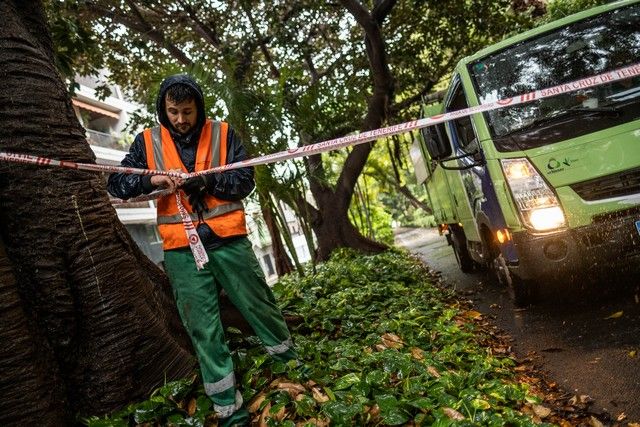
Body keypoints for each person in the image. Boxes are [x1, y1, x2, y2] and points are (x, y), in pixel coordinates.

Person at [107, 74, 297, 427]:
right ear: (163, 109)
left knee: (259, 304)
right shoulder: (146, 142)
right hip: (181, 250)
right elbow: (116, 182)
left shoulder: (223, 134)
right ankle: (228, 408)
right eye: (173, 111)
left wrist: (210, 180)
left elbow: (245, 180)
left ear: (200, 108)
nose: (181, 119)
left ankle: (292, 367)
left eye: (188, 111)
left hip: (228, 241)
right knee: (202, 326)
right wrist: (151, 180)